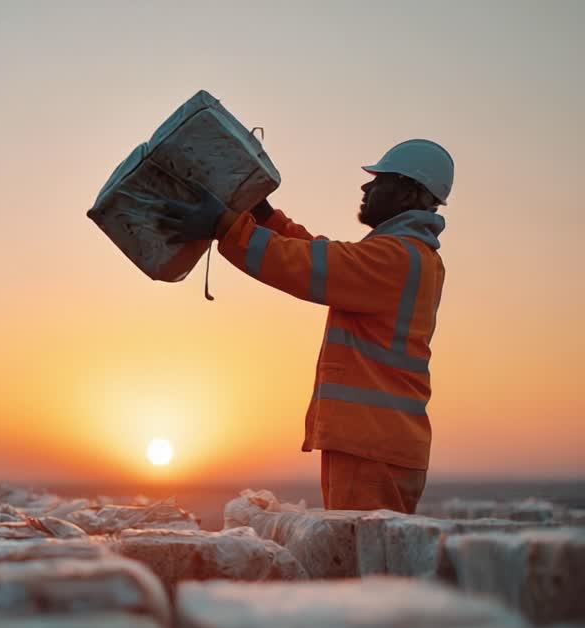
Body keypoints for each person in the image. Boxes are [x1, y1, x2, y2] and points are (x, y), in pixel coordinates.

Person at [152, 140, 453, 513]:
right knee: (364, 555)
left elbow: (306, 265)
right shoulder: (404, 255)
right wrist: (263, 216)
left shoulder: (397, 258)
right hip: (374, 442)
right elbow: (320, 253)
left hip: (373, 446)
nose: (366, 187)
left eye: (379, 180)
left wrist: (224, 226)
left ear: (409, 191)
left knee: (365, 560)